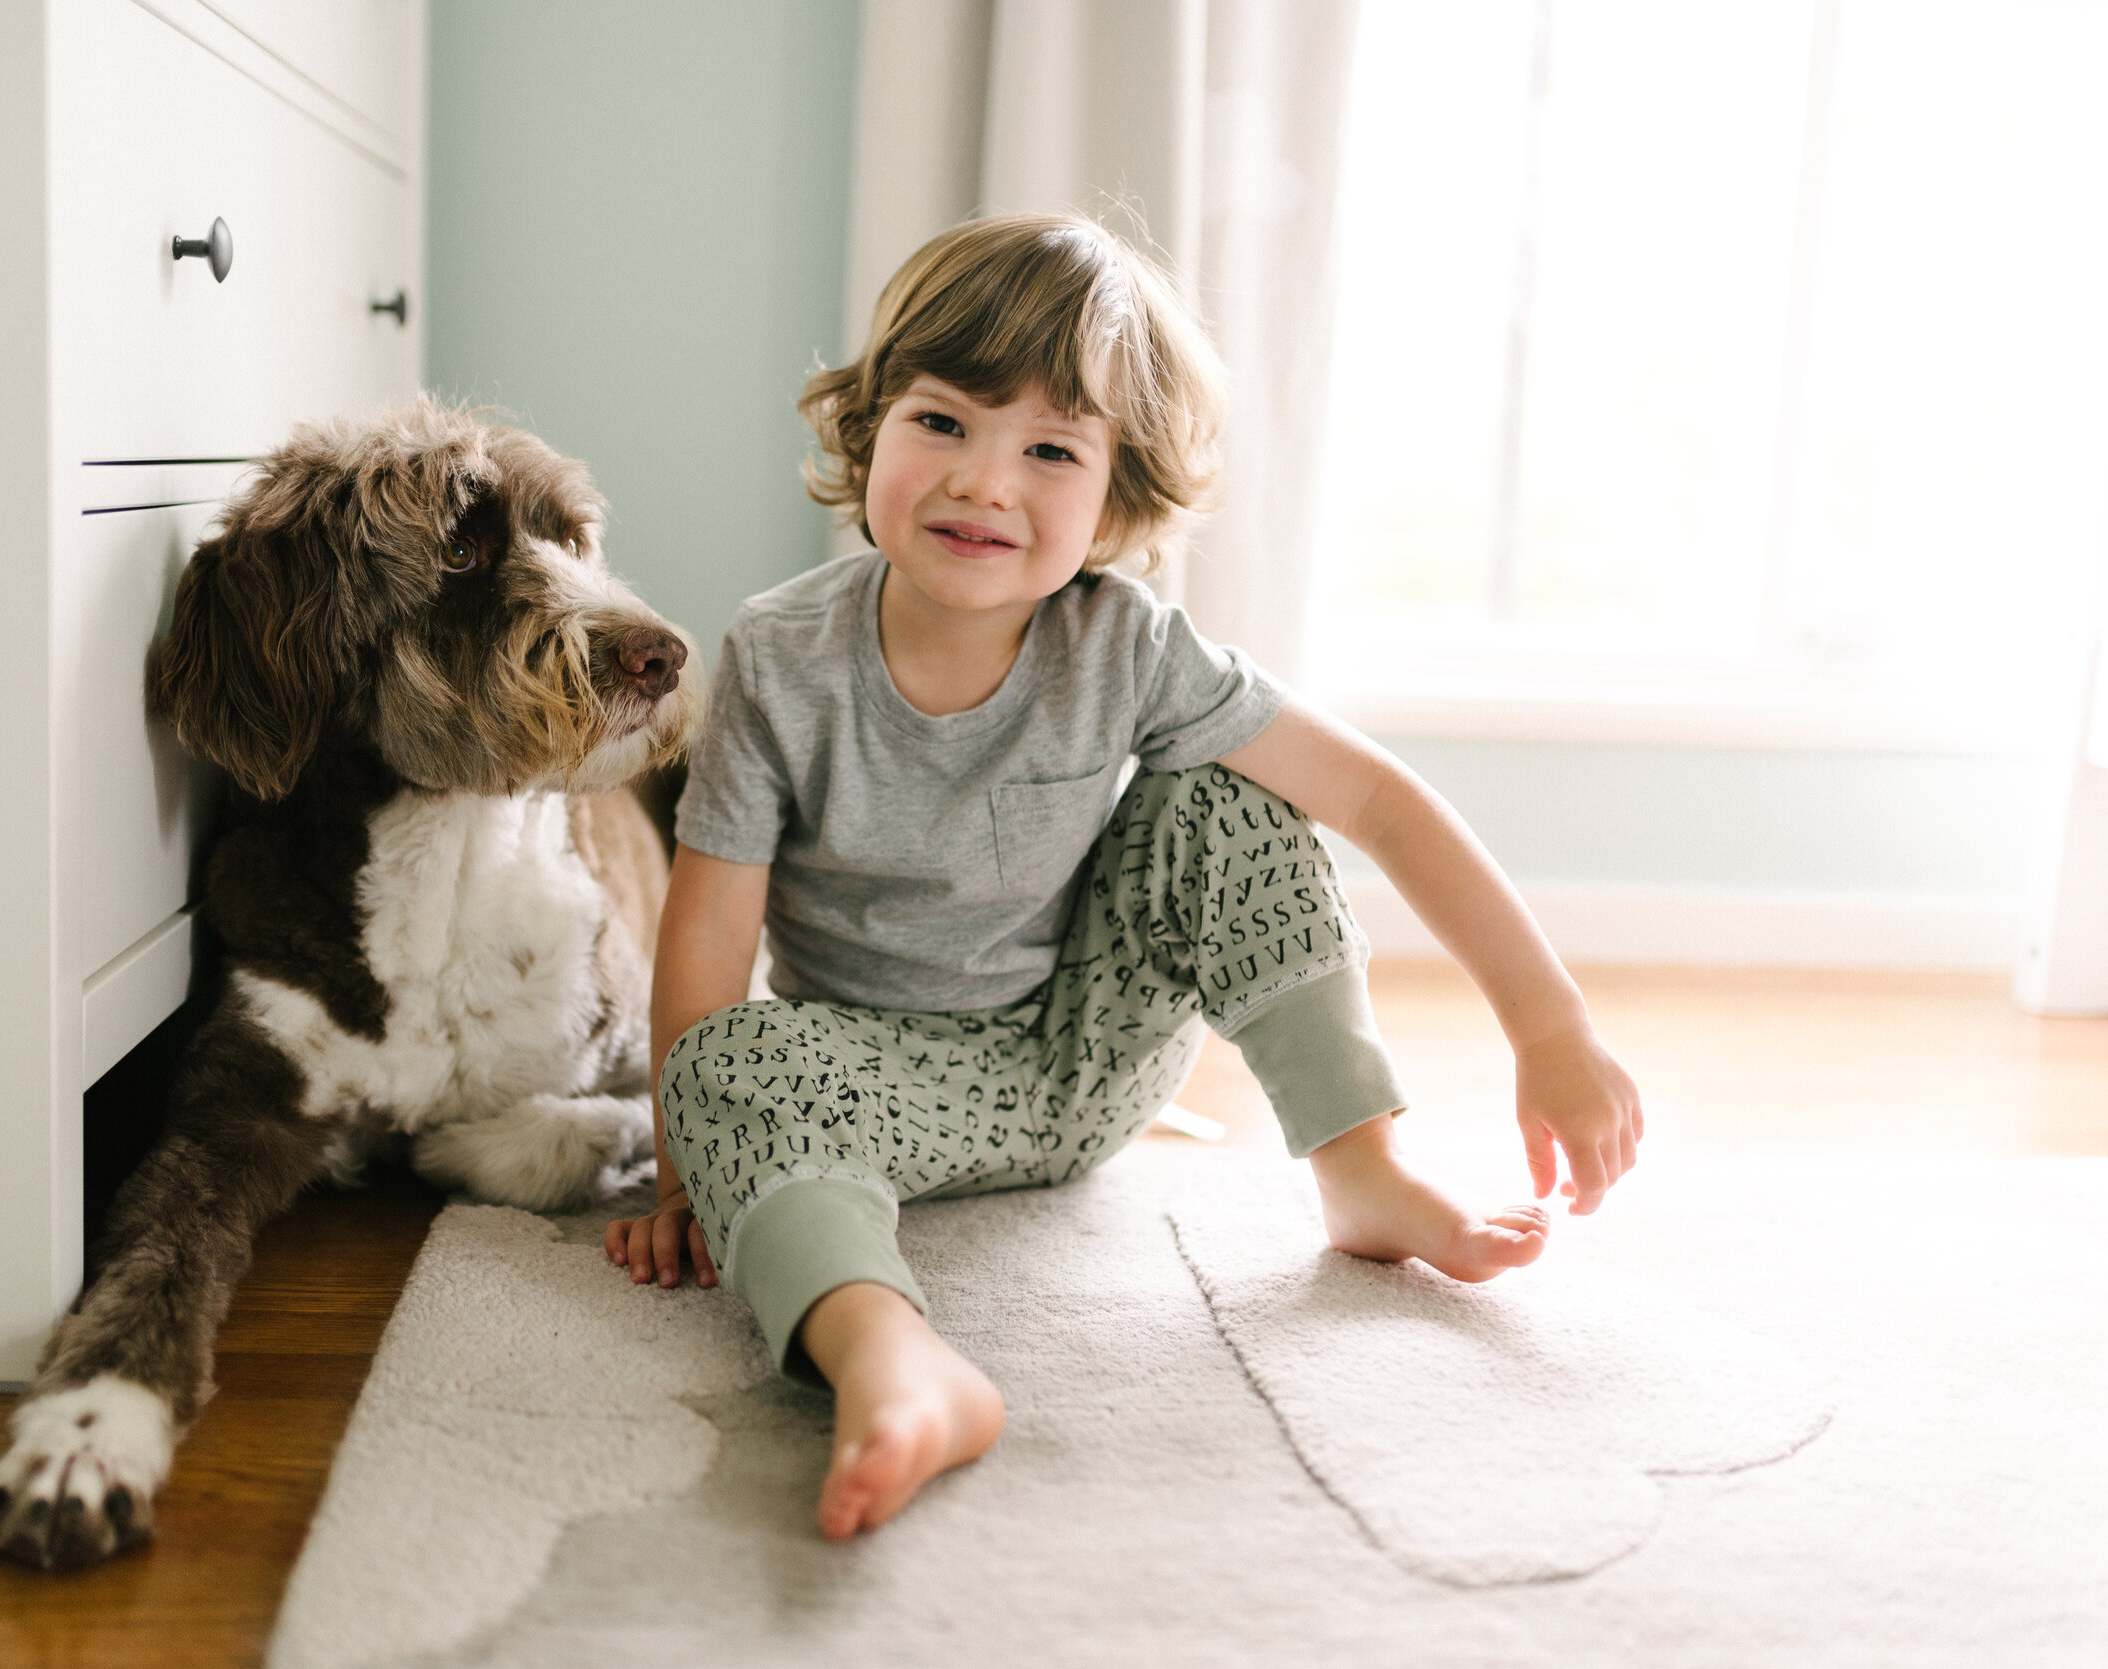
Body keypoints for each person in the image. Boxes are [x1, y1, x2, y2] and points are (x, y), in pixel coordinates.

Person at [605, 212, 1643, 1542]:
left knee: (1226, 787)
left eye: (1050, 449)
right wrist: (692, 1172)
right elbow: (706, 934)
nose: (986, 480)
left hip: (1079, 1059)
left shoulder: (1130, 644)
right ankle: (891, 1356)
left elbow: (1376, 797)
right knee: (726, 1055)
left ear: (1118, 496)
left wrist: (1551, 1027)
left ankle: (1363, 1169)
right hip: (857, 1078)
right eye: (944, 423)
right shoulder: (775, 655)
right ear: (868, 432)